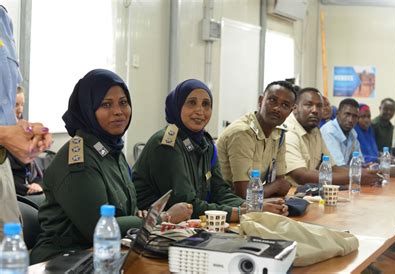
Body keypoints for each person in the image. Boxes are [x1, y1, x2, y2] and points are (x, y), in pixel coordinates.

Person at [30, 69, 192, 264]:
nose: (118, 111)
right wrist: (162, 217)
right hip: (63, 261)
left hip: (105, 254)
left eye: (123, 103)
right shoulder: (78, 161)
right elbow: (99, 227)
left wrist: (139, 215)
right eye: (106, 104)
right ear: (88, 109)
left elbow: (121, 211)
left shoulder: (111, 151)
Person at [133, 79, 288, 222]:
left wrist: (255, 207)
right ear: (178, 105)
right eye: (191, 103)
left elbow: (220, 191)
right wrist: (243, 213)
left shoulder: (204, 142)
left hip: (189, 224)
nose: (200, 111)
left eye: (206, 104)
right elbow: (188, 205)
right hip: (152, 228)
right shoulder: (167, 144)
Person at [0, 5, 52, 240]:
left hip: (2, 166)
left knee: (8, 246)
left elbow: (5, 107)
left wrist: (26, 130)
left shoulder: (3, 18)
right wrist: (3, 134)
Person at [216, 81, 296, 199]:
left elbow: (281, 183)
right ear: (260, 101)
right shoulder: (242, 133)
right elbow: (244, 194)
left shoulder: (279, 133)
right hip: (225, 205)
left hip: (252, 203)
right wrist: (275, 186)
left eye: (284, 105)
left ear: (290, 111)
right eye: (272, 100)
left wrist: (276, 186)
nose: (277, 108)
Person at [285, 88, 380, 186]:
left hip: (309, 193)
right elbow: (302, 176)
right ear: (295, 108)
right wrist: (355, 176)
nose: (315, 110)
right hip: (288, 197)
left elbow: (333, 167)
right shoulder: (288, 132)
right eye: (308, 105)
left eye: (319, 106)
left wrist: (364, 174)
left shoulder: (315, 131)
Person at [321, 98, 361, 166]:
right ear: (337, 114)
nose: (350, 120)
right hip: (328, 175)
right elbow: (339, 166)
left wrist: (365, 166)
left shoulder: (352, 133)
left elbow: (358, 161)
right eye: (347, 114)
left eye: (355, 116)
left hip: (343, 174)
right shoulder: (329, 131)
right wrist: (363, 171)